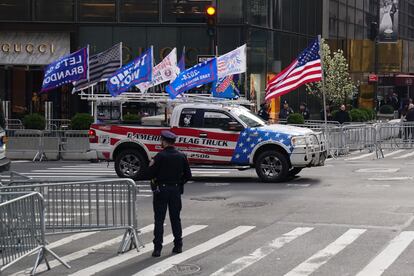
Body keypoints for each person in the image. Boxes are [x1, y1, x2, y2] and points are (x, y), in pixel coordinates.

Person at [145, 130, 192, 257]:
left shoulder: (160, 156)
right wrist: (179, 182)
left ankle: (157, 248)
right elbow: (188, 175)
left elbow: (149, 174)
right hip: (175, 190)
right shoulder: (181, 155)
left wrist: (150, 165)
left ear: (164, 141)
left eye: (161, 140)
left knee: (159, 220)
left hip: (162, 190)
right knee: (175, 218)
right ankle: (178, 245)